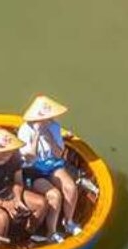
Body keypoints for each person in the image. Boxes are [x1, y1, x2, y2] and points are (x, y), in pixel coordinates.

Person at [14, 95, 84, 232]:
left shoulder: (54, 127)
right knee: (55, 195)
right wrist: (37, 135)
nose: (47, 121)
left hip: (52, 164)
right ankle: (51, 232)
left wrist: (50, 138)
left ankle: (68, 222)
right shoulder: (25, 130)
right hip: (33, 169)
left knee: (70, 187)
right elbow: (29, 158)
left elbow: (58, 154)